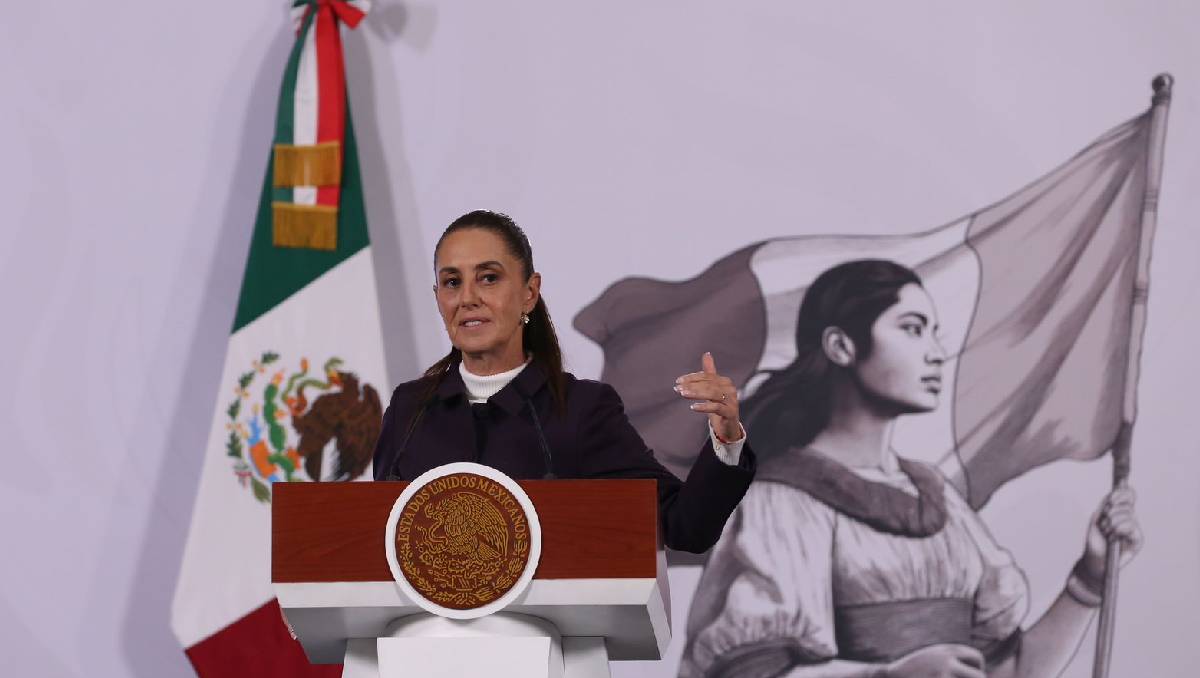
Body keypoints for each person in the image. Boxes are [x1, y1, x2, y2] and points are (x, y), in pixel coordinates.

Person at [678, 259, 1143, 677]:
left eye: (934, 331)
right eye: (913, 328)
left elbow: (1010, 671)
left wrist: (1091, 578)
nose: (937, 352)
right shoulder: (782, 500)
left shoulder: (936, 497)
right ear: (841, 346)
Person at [371, 209, 756, 553]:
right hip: (422, 634)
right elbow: (377, 543)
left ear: (529, 293)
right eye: (452, 282)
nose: (467, 297)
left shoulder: (580, 410)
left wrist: (726, 438)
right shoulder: (410, 411)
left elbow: (684, 526)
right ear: (437, 296)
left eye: (488, 278)